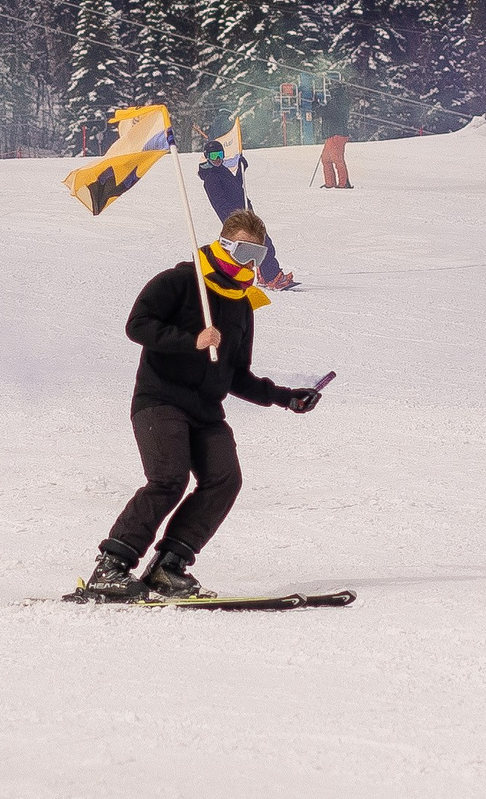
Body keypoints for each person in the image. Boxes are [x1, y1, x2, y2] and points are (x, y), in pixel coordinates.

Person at [78, 209, 322, 600]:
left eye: (258, 256)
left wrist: (286, 397)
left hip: (206, 411)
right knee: (169, 479)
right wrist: (190, 339)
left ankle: (169, 567)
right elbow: (137, 324)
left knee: (225, 479)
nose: (249, 263)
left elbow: (237, 374)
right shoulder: (178, 281)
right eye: (243, 251)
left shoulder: (241, 305)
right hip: (160, 401)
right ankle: (111, 568)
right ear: (224, 245)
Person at [198, 135, 295, 290]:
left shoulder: (221, 170)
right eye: (213, 156)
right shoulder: (211, 178)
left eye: (220, 155)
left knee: (258, 243)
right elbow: (219, 203)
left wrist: (240, 172)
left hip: (243, 213)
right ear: (206, 157)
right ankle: (273, 277)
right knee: (263, 242)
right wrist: (237, 220)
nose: (217, 159)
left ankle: (265, 274)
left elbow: (235, 189)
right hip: (237, 218)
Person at [317, 80, 354, 189]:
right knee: (326, 159)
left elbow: (328, 112)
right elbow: (327, 111)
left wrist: (318, 107)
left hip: (337, 133)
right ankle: (331, 183)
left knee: (337, 159)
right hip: (333, 133)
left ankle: (343, 183)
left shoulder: (339, 101)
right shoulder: (338, 100)